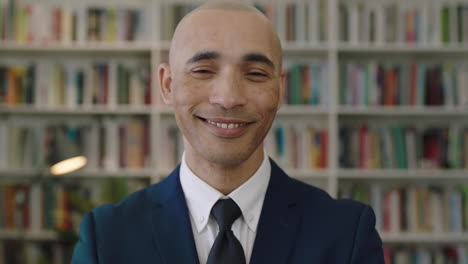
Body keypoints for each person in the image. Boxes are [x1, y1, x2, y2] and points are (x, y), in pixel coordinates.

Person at [71, 1, 384, 263]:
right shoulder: (107, 237)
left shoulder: (346, 234)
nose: (228, 98)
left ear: (280, 88)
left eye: (256, 73)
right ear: (167, 85)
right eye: (203, 71)